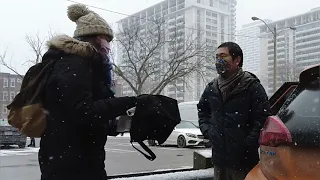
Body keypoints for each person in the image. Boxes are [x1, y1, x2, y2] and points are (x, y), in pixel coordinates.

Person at [38, 4, 137, 180]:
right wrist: (129, 102)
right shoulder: (73, 64)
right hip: (71, 168)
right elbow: (84, 112)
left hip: (80, 162)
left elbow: (85, 119)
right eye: (105, 39)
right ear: (93, 39)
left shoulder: (84, 66)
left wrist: (123, 124)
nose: (108, 46)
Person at [197, 42, 271, 180]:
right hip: (219, 160)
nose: (218, 60)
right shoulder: (212, 87)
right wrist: (208, 131)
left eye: (223, 56)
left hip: (244, 161)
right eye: (217, 56)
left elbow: (262, 118)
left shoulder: (252, 86)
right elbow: (202, 111)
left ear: (237, 60)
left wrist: (247, 142)